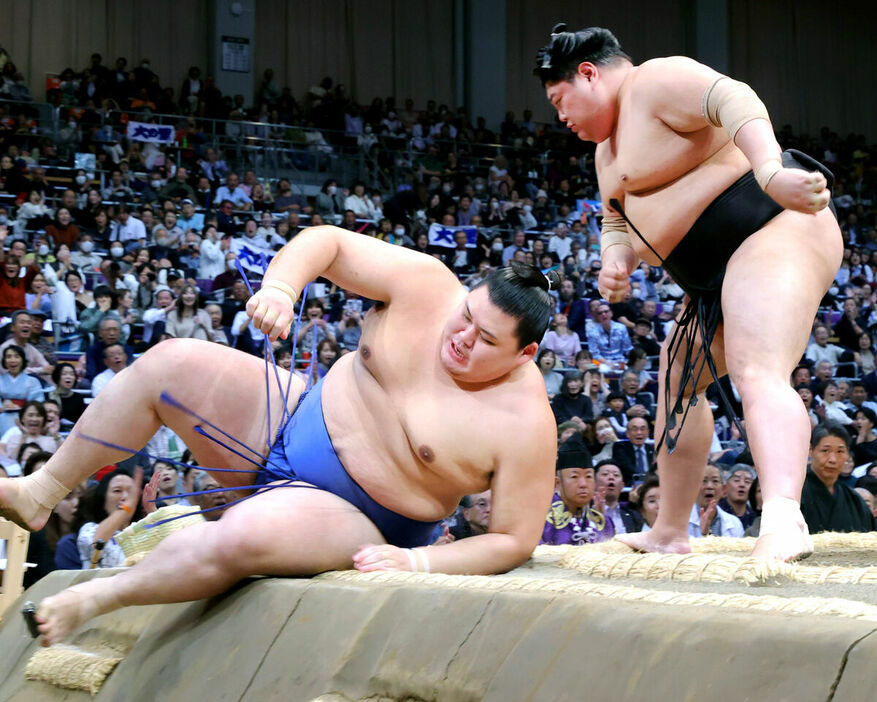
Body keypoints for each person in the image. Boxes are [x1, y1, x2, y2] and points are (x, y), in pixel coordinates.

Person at [0, 224, 561, 646]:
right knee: (167, 365)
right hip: (288, 416)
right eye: (465, 316)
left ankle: (92, 599)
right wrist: (282, 290)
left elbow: (514, 539)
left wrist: (420, 563)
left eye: (484, 339)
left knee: (237, 537)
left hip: (359, 515)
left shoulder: (525, 423)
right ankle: (41, 493)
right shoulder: (428, 286)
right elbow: (328, 243)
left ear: (524, 354)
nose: (461, 337)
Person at [536, 25, 841, 560]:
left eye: (560, 100)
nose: (561, 117)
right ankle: (670, 530)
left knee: (756, 367)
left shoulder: (653, 81)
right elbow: (616, 220)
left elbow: (732, 98)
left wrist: (769, 170)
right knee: (678, 380)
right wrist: (615, 261)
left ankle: (783, 518)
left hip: (771, 227)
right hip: (710, 272)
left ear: (588, 74)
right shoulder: (604, 154)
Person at [801, 422, 877, 534]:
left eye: (840, 451)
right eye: (825, 451)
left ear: (847, 455)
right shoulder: (795, 493)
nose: (833, 459)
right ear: (811, 450)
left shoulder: (855, 500)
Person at [541, 436, 614, 545]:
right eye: (574, 477)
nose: (583, 484)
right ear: (557, 483)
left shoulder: (603, 522)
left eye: (588, 476)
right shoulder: (543, 522)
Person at [689, 463, 744, 538]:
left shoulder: (735, 523)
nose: (709, 486)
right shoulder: (680, 521)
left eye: (715, 481)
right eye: (703, 481)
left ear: (723, 489)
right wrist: (702, 533)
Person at [595, 460, 642, 534]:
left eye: (616, 475)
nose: (611, 477)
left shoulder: (633, 516)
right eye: (605, 474)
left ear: (622, 486)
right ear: (594, 482)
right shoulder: (585, 513)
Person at [716, 464, 757, 530]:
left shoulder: (755, 517)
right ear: (726, 486)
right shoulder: (717, 512)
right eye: (736, 480)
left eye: (747, 481)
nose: (742, 485)